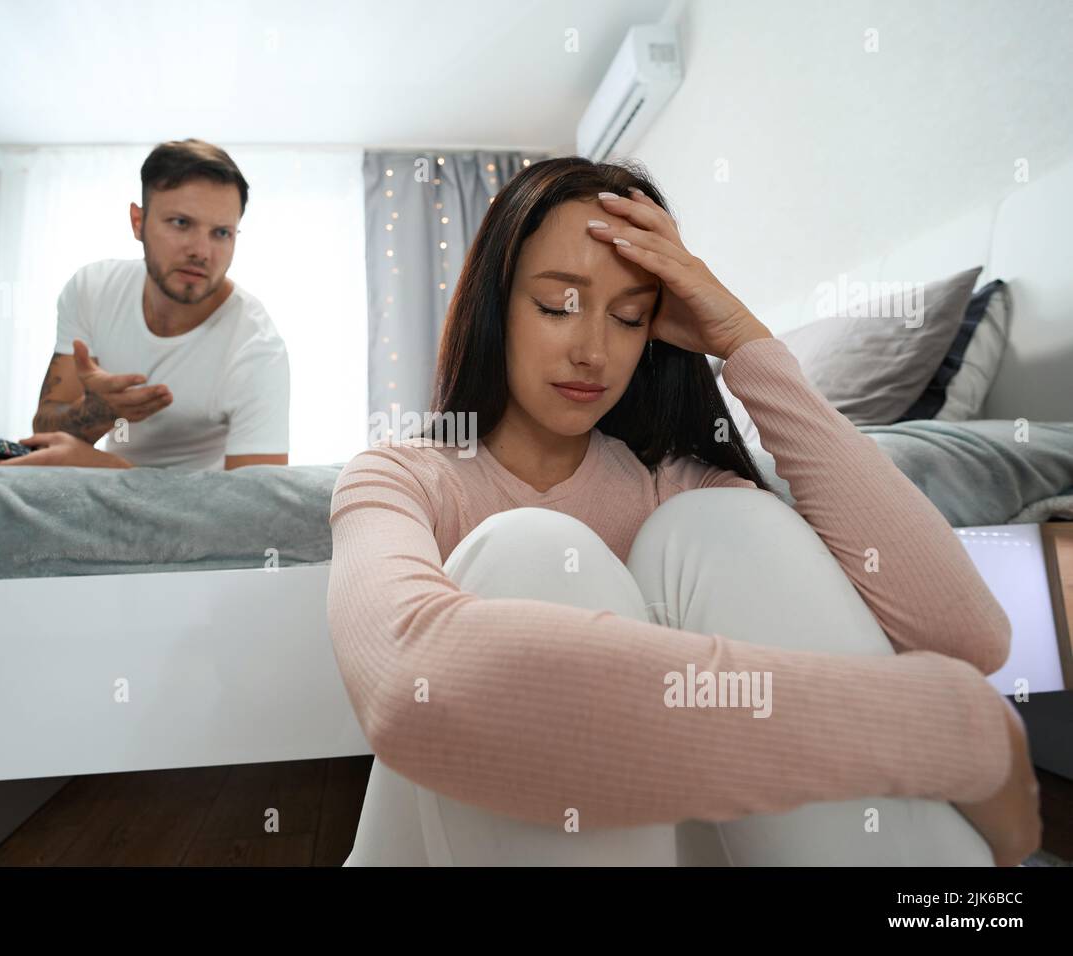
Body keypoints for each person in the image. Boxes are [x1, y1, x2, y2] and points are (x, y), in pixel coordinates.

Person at [325, 156, 1040, 866]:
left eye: (630, 318)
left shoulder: (677, 489)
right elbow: (412, 686)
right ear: (494, 306)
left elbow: (967, 635)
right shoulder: (397, 478)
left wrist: (745, 341)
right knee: (529, 551)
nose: (594, 351)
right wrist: (945, 731)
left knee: (733, 523)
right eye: (555, 306)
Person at [1, 139, 289, 471]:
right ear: (138, 222)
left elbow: (256, 507)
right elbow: (44, 432)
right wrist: (102, 409)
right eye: (181, 223)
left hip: (202, 519)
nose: (201, 251)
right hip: (99, 505)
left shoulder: (257, 347)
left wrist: (107, 470)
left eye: (221, 233)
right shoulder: (92, 290)